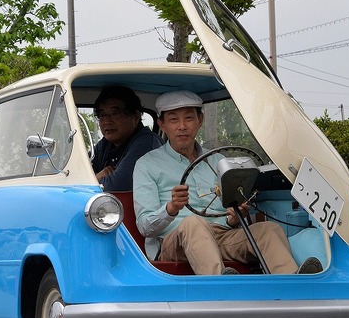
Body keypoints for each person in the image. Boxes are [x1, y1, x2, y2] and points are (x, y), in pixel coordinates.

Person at [132, 90, 322, 275]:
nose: (182, 126)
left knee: (268, 230)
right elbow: (145, 226)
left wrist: (233, 219)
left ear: (200, 120)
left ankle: (293, 284)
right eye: (174, 119)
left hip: (222, 235)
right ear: (161, 125)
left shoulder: (217, 160)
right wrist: (171, 208)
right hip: (174, 243)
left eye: (189, 118)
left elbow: (230, 214)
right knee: (193, 223)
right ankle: (221, 284)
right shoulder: (146, 165)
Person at [90, 85, 161, 192]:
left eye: (115, 113)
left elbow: (118, 186)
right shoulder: (106, 143)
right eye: (102, 115)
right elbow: (76, 176)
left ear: (136, 116)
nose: (107, 121)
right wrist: (98, 177)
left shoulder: (146, 143)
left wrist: (92, 180)